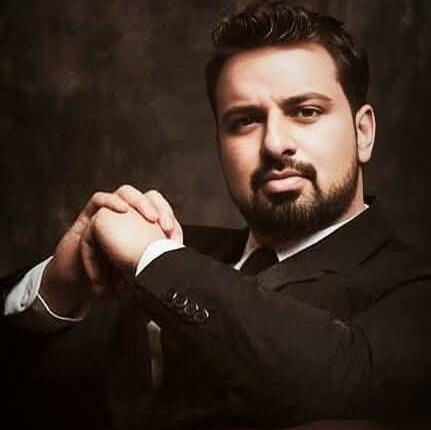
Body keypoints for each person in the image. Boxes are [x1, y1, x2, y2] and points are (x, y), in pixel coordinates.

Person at [2, 1, 430, 429]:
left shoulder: (413, 287)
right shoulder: (154, 249)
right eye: (244, 121)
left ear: (363, 132)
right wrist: (57, 288)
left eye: (306, 112)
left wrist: (153, 259)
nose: (274, 144)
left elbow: (343, 388)